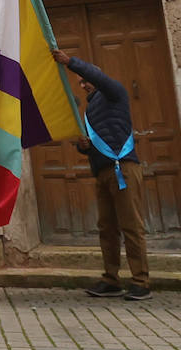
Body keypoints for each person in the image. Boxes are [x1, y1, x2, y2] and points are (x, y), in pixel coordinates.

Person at [53, 48, 152, 301]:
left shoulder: (114, 93)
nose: (83, 85)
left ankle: (141, 281)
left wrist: (70, 63)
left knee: (131, 226)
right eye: (81, 83)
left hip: (124, 170)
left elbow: (101, 80)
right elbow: (89, 144)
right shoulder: (89, 112)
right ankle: (111, 279)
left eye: (85, 80)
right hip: (102, 172)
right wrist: (81, 146)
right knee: (107, 228)